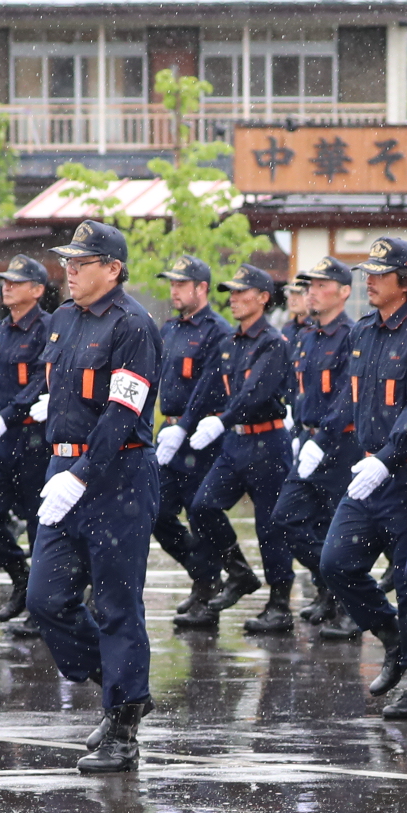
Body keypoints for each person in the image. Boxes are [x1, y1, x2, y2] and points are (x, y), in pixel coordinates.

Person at [27, 221, 164, 773]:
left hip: (116, 476)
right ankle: (121, 687)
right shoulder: (63, 319)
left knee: (115, 603)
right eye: (68, 262)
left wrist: (81, 472)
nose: (70, 271)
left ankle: (124, 730)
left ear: (113, 268)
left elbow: (123, 411)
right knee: (46, 597)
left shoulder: (133, 326)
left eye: (82, 263)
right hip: (66, 468)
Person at [326, 237, 407, 713]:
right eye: (368, 273)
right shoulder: (364, 332)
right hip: (369, 470)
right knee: (336, 563)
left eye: (380, 273)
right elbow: (353, 399)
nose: (369, 281)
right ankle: (393, 635)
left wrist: (387, 459)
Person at [181, 263, 297, 634]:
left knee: (270, 526)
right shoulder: (230, 341)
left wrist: (223, 419)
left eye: (241, 292)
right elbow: (207, 386)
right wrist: (185, 425)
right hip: (237, 440)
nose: (233, 299)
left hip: (268, 441)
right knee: (202, 507)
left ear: (263, 298)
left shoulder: (273, 343)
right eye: (230, 293)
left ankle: (279, 603)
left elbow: (256, 392)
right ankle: (239, 572)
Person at [152, 254, 240, 620]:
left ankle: (208, 595)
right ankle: (205, 575)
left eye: (180, 284)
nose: (173, 291)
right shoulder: (170, 329)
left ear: (201, 288)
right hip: (169, 432)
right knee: (157, 512)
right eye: (171, 284)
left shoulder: (218, 331)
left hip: (202, 436)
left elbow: (210, 390)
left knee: (199, 514)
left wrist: (186, 426)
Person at [0, 258, 54, 631]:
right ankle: (20, 576)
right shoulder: (2, 329)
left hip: (34, 437)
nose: (7, 287)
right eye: (5, 281)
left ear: (36, 289)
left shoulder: (48, 328)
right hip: (3, 438)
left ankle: (40, 605)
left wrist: (8, 414)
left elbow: (42, 380)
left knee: (39, 524)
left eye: (17, 282)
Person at [273, 262, 357, 637]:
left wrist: (322, 437)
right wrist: (295, 421)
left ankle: (351, 605)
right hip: (307, 441)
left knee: (342, 533)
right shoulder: (307, 336)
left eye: (322, 284)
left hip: (340, 445)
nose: (311, 291)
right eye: (309, 285)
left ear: (344, 292)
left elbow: (349, 396)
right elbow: (299, 386)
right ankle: (328, 586)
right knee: (287, 519)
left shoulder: (352, 336)